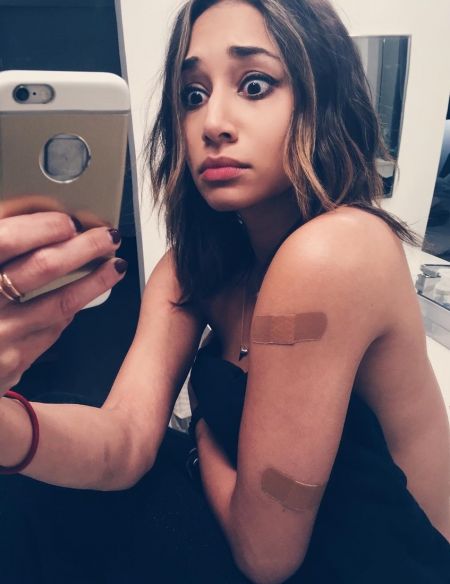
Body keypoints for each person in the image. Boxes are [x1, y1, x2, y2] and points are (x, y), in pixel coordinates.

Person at [1, 1, 450, 583]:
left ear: (322, 98)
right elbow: (124, 442)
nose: (212, 122)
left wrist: (201, 433)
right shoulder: (193, 269)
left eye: (254, 85)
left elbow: (265, 558)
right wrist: (9, 429)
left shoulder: (335, 251)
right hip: (261, 530)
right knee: (37, 493)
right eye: (193, 94)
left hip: (384, 562)